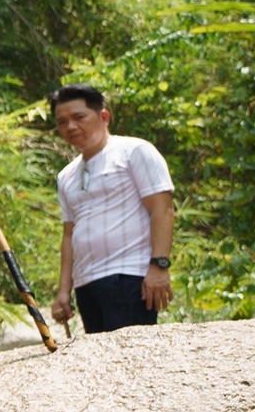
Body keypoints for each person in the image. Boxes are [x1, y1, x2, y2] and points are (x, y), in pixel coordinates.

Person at [46, 83, 175, 335]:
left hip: (128, 276)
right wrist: (64, 291)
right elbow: (69, 234)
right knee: (102, 367)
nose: (70, 126)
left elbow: (163, 210)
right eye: (62, 122)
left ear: (103, 117)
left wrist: (159, 267)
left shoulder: (134, 152)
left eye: (78, 117)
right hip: (86, 283)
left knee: (131, 362)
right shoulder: (66, 176)